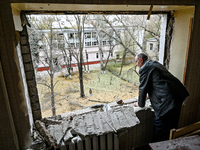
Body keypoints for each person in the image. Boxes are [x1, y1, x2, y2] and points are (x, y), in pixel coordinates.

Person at [134, 52, 189, 142]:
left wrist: (140, 104)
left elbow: (142, 88)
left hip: (167, 102)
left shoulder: (145, 68)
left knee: (159, 129)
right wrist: (150, 94)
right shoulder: (154, 64)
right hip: (178, 97)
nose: (136, 64)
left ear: (141, 60)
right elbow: (159, 81)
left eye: (136, 62)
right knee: (171, 129)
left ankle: (157, 147)